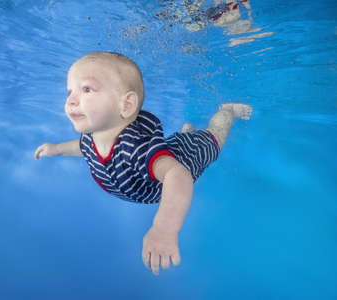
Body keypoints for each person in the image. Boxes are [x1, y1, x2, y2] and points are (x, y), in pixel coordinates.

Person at [34, 52, 252, 275]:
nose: (70, 100)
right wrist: (57, 149)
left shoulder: (134, 148)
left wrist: (165, 228)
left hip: (186, 161)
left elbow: (178, 176)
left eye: (87, 89)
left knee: (214, 140)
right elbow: (83, 148)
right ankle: (187, 134)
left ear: (126, 105)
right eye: (70, 91)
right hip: (163, 155)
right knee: (173, 147)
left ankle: (226, 111)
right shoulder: (93, 135)